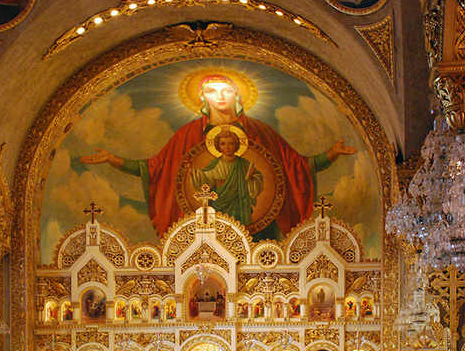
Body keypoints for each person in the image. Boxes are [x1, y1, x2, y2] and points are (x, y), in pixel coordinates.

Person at [80, 73, 357, 241]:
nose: (220, 96)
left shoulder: (260, 132)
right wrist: (112, 158)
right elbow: (156, 168)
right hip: (201, 234)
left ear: (237, 94)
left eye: (226, 90)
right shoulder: (187, 135)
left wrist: (331, 153)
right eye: (211, 91)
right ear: (203, 98)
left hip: (258, 231)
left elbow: (295, 166)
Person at [188, 128, 263, 226]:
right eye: (223, 144)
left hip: (238, 201)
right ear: (218, 146)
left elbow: (258, 178)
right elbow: (206, 178)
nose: (227, 147)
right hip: (219, 199)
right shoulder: (215, 163)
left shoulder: (243, 163)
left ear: (236, 145)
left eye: (231, 143)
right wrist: (191, 170)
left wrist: (252, 177)